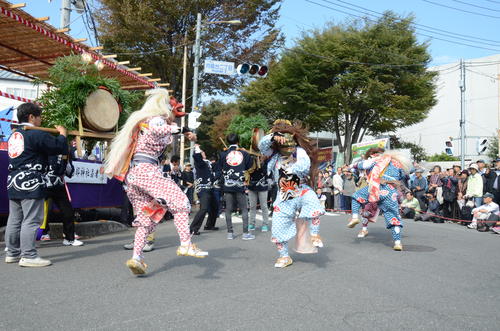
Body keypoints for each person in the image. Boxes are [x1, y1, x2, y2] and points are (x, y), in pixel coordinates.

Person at [104, 89, 207, 276]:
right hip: (146, 172)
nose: (174, 119)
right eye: (174, 114)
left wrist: (179, 131)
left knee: (147, 219)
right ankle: (185, 244)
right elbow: (158, 128)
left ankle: (136, 258)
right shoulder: (156, 120)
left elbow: (160, 131)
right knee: (181, 201)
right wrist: (184, 130)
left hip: (134, 177)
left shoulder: (146, 122)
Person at [5, 102, 68, 267]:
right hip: (31, 182)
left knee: (14, 219)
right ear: (31, 117)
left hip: (13, 180)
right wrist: (62, 134)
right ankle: (29, 255)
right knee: (31, 220)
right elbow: (58, 147)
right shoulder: (34, 133)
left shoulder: (14, 134)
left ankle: (12, 253)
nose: (40, 121)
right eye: (39, 117)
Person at [258, 119, 325, 268]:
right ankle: (284, 256)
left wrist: (292, 170)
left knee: (313, 203)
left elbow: (304, 166)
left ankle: (314, 234)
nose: (287, 144)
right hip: (284, 194)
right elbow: (261, 145)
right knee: (278, 225)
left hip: (301, 189)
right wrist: (272, 137)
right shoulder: (273, 154)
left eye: (289, 138)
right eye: (283, 139)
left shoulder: (299, 152)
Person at [348, 148, 411, 251]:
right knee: (393, 216)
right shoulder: (398, 164)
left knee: (356, 197)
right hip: (390, 192)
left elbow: (361, 165)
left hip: (375, 189)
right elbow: (403, 175)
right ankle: (397, 242)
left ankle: (355, 218)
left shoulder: (377, 160)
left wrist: (351, 166)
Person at [43, 146, 84, 246]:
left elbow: (70, 172)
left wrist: (67, 162)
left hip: (58, 185)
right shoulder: (44, 151)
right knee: (34, 213)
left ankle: (69, 238)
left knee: (68, 212)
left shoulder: (65, 154)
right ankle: (18, 243)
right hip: (43, 184)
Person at [216, 133, 254, 240]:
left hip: (228, 185)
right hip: (239, 184)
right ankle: (245, 233)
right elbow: (250, 165)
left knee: (228, 209)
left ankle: (230, 233)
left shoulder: (223, 154)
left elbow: (219, 167)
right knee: (244, 209)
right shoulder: (244, 153)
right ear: (238, 141)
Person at [189, 144, 218, 235]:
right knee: (204, 208)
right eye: (201, 152)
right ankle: (193, 228)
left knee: (214, 207)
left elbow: (212, 174)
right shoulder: (199, 163)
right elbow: (197, 157)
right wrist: (197, 148)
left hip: (210, 188)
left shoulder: (207, 163)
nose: (203, 152)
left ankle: (209, 225)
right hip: (203, 189)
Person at [247, 154, 271, 232]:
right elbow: (248, 171)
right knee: (252, 206)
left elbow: (267, 172)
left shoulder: (266, 161)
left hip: (263, 186)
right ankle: (251, 224)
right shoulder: (250, 160)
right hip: (252, 186)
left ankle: (265, 224)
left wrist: (262, 161)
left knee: (264, 206)